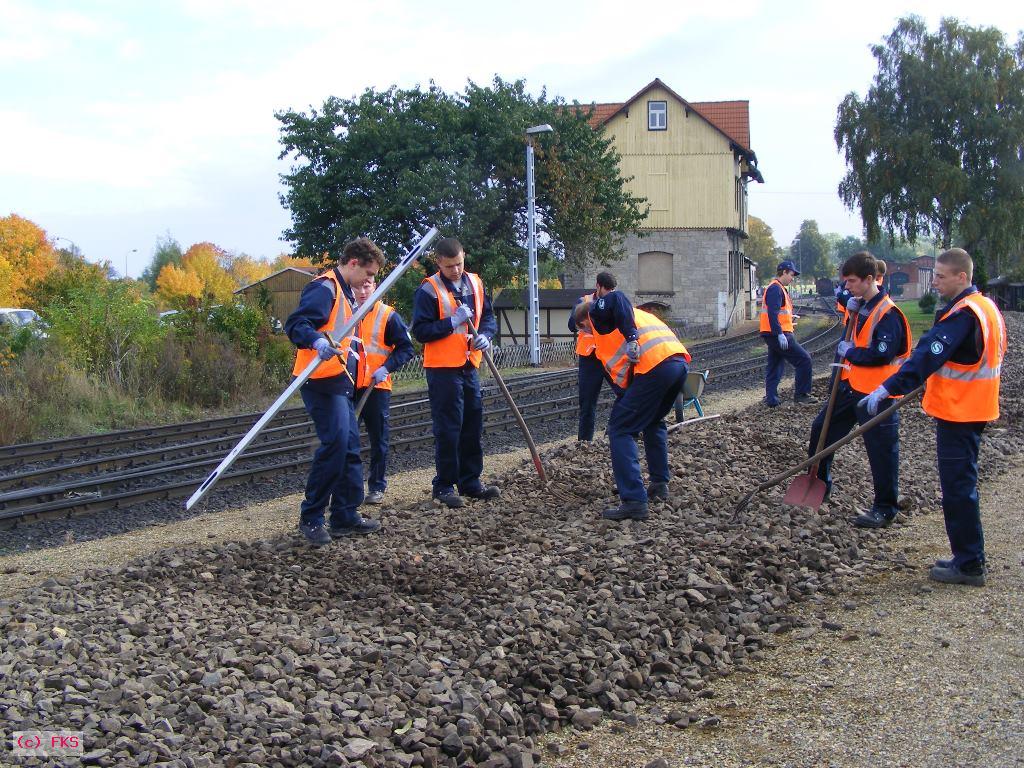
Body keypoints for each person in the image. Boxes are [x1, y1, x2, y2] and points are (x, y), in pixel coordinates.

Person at [861, 248, 1007, 587]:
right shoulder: (987, 308)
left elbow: (926, 356)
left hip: (960, 410)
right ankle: (967, 556)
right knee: (962, 484)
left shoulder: (964, 314)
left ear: (961, 277)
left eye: (941, 276)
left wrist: (887, 389)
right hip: (976, 407)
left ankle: (969, 564)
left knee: (958, 488)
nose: (935, 281)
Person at [285, 238, 385, 546]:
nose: (370, 281)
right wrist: (315, 341)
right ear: (353, 263)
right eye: (368, 274)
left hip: (342, 381)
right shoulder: (325, 288)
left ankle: (344, 514)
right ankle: (312, 516)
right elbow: (297, 324)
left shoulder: (346, 291)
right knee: (336, 443)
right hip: (321, 381)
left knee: (351, 447)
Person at [807, 252, 911, 527]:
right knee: (822, 432)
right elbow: (855, 335)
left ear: (869, 279)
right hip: (849, 387)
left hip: (877, 394)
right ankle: (818, 485)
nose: (847, 286)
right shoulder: (860, 307)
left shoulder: (889, 314)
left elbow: (881, 352)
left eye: (851, 281)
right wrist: (851, 312)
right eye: (845, 281)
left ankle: (885, 507)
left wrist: (851, 352)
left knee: (881, 451)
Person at [574, 293, 690, 521]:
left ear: (586, 321)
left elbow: (615, 297)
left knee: (620, 429)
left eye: (584, 330)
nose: (587, 334)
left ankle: (634, 500)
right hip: (677, 363)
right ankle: (659, 484)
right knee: (653, 420)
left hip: (655, 368)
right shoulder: (636, 316)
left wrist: (632, 338)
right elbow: (626, 379)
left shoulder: (600, 314)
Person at [411, 237, 500, 508]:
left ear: (464, 257)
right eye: (450, 266)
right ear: (438, 262)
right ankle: (445, 485)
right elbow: (421, 331)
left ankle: (470, 481)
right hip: (442, 369)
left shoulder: (476, 283)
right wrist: (452, 322)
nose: (456, 270)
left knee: (473, 423)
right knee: (449, 428)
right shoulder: (428, 290)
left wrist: (485, 335)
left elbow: (488, 318)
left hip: (469, 364)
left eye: (460, 263)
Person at [352, 278, 414, 506]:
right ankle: (350, 490)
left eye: (366, 285)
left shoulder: (387, 316)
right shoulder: (345, 312)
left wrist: (386, 368)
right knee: (347, 441)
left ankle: (376, 486)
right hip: (348, 387)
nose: (361, 291)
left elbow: (406, 349)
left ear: (375, 287)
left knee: (378, 440)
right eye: (357, 286)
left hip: (376, 388)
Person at [568, 271, 622, 441]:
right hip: (589, 358)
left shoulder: (614, 303)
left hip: (609, 356)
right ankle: (584, 442)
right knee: (587, 403)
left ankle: (612, 433)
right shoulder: (583, 302)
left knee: (624, 393)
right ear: (598, 286)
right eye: (606, 290)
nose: (608, 295)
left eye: (611, 291)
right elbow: (572, 325)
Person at [760, 260, 813, 406]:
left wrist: (790, 319)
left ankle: (771, 399)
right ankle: (802, 395)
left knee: (775, 365)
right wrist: (779, 333)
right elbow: (772, 313)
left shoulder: (778, 288)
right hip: (778, 335)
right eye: (791, 274)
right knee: (804, 360)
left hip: (774, 333)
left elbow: (779, 313)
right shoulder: (776, 289)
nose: (792, 278)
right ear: (783, 272)